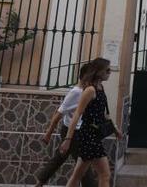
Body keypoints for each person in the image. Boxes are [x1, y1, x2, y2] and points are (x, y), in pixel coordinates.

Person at [33, 64, 99, 187]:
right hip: (73, 132)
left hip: (77, 131)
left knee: (60, 158)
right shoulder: (76, 92)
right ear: (85, 76)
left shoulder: (88, 90)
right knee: (83, 162)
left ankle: (40, 181)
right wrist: (48, 133)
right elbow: (58, 114)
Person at [60, 57, 122, 187]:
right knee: (104, 174)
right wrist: (68, 138)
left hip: (93, 136)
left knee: (78, 175)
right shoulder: (90, 90)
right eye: (107, 70)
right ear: (99, 71)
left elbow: (103, 113)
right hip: (88, 136)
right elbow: (77, 114)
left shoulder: (100, 88)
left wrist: (115, 129)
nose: (109, 72)